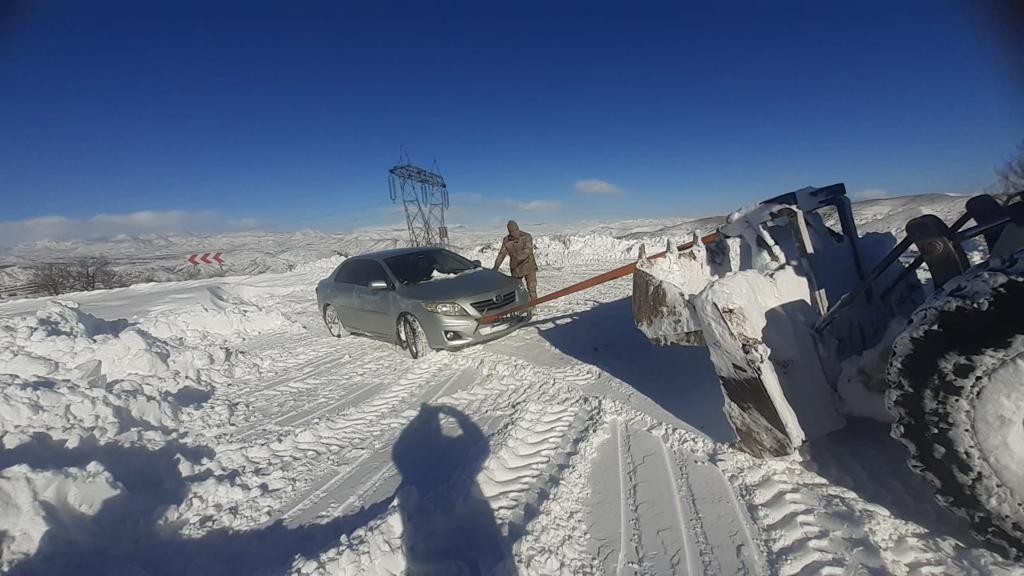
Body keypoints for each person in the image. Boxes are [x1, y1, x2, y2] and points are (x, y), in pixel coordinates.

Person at [493, 220, 538, 300]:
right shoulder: (506, 241)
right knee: (517, 290)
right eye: (513, 231)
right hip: (516, 269)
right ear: (509, 232)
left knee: (532, 288)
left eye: (516, 229)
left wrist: (516, 259)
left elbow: (527, 251)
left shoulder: (526, 237)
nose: (515, 232)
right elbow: (502, 254)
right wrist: (496, 267)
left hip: (529, 266)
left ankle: (534, 305)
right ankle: (520, 306)